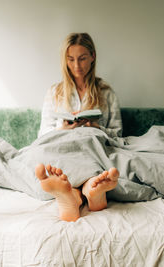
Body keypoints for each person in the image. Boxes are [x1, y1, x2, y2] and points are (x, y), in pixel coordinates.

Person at [35, 32, 123, 222]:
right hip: (63, 144)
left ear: (92, 57)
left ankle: (77, 195)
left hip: (94, 143)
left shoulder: (106, 92)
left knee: (94, 152)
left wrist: (96, 127)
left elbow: (117, 134)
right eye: (71, 59)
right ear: (65, 60)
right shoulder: (55, 92)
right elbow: (42, 134)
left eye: (82, 59)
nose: (77, 66)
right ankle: (87, 190)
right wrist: (62, 129)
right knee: (56, 155)